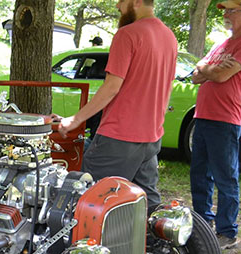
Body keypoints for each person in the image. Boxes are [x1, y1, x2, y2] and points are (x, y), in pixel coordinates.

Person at [58, 0, 177, 210]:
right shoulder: (169, 36)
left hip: (119, 136)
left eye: (121, 1)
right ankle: (151, 242)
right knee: (146, 203)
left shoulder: (127, 34)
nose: (118, 6)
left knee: (86, 199)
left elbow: (112, 87)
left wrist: (74, 120)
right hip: (151, 137)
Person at [190, 0, 241, 250]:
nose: (226, 14)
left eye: (232, 10)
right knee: (199, 175)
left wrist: (210, 70)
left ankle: (227, 232)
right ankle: (202, 225)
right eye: (225, 10)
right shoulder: (222, 45)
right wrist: (210, 69)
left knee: (225, 178)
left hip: (225, 120)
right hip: (203, 116)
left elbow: (218, 75)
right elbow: (196, 74)